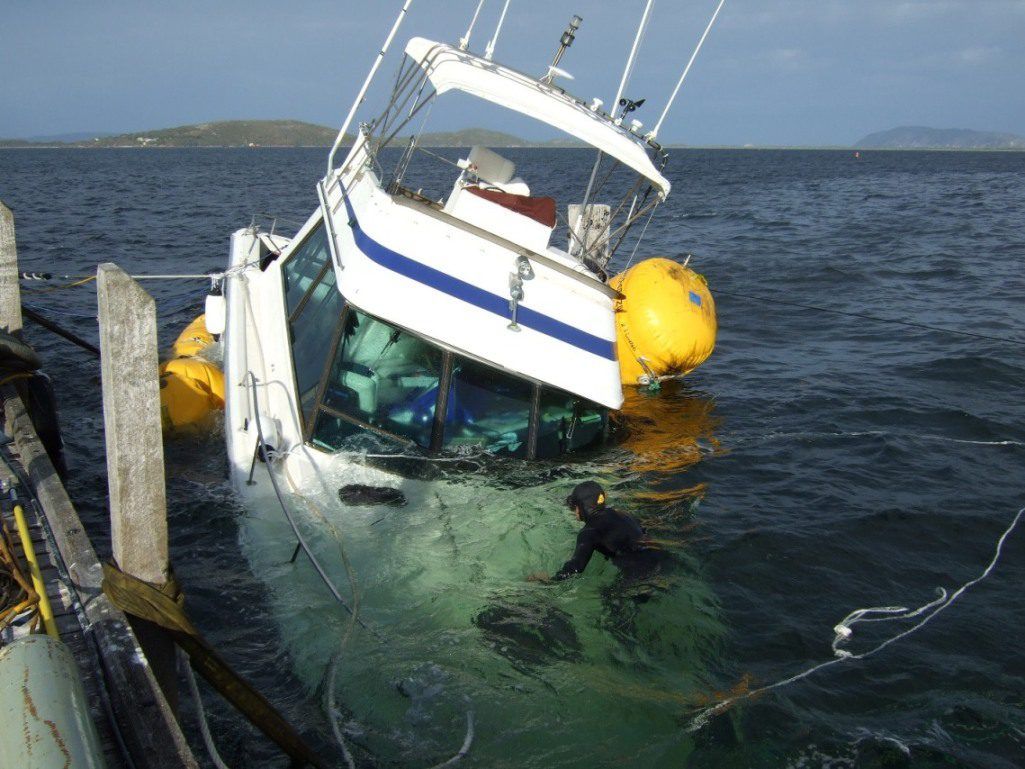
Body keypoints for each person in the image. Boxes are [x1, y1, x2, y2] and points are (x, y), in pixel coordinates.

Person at [528, 481, 663, 582]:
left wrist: (548, 580)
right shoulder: (622, 514)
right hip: (660, 557)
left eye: (575, 507)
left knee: (608, 598)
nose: (575, 512)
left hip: (640, 573)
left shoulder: (589, 532)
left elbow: (576, 568)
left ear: (580, 507)